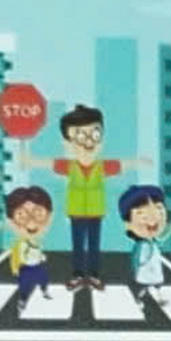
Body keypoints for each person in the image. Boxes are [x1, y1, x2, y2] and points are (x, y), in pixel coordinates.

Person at [48, 105, 122, 292]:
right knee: (78, 246)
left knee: (94, 246)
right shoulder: (69, 166)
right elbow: (47, 163)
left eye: (95, 135)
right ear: (68, 142)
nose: (88, 142)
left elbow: (122, 165)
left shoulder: (102, 166)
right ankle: (78, 275)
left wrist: (141, 162)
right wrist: (27, 160)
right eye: (80, 137)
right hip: (76, 212)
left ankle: (94, 275)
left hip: (96, 212)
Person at [117, 184, 171, 294]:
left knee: (155, 280)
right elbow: (137, 259)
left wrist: (170, 231)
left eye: (159, 209)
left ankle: (155, 293)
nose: (152, 219)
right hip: (145, 269)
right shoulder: (141, 246)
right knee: (144, 280)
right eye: (142, 214)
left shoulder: (153, 242)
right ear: (128, 223)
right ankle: (142, 293)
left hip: (153, 268)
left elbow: (161, 240)